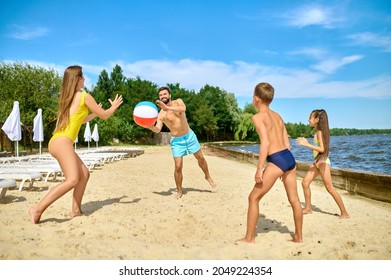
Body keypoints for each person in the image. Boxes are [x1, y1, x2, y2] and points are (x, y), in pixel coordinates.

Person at [29, 65, 123, 224]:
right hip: (63, 142)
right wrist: (113, 107)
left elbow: (81, 119)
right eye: (83, 76)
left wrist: (94, 112)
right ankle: (37, 209)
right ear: (78, 79)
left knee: (84, 174)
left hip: (58, 141)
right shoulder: (84, 95)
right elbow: (106, 116)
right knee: (72, 179)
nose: (85, 79)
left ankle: (76, 211)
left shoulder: (69, 98)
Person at [237, 82, 303, 243]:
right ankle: (299, 237)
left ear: (256, 99)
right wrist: (282, 168)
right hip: (288, 158)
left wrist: (260, 169)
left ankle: (249, 238)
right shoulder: (277, 115)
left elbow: (265, 143)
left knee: (253, 198)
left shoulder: (258, 117)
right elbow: (287, 143)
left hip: (277, 159)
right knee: (294, 199)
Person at [147, 86, 216, 198]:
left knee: (201, 158)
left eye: (165, 94)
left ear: (169, 95)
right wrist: (151, 127)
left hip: (189, 136)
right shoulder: (161, 114)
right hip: (176, 141)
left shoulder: (178, 102)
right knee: (178, 166)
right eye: (160, 95)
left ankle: (207, 176)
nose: (163, 96)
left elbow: (183, 109)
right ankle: (179, 190)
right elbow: (158, 129)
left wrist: (167, 108)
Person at [296, 109, 350, 219]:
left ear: (316, 120)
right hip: (317, 161)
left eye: (310, 118)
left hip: (323, 162)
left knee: (330, 188)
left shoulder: (320, 132)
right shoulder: (317, 132)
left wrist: (306, 144)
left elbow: (322, 149)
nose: (308, 120)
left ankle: (344, 213)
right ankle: (308, 208)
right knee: (305, 183)